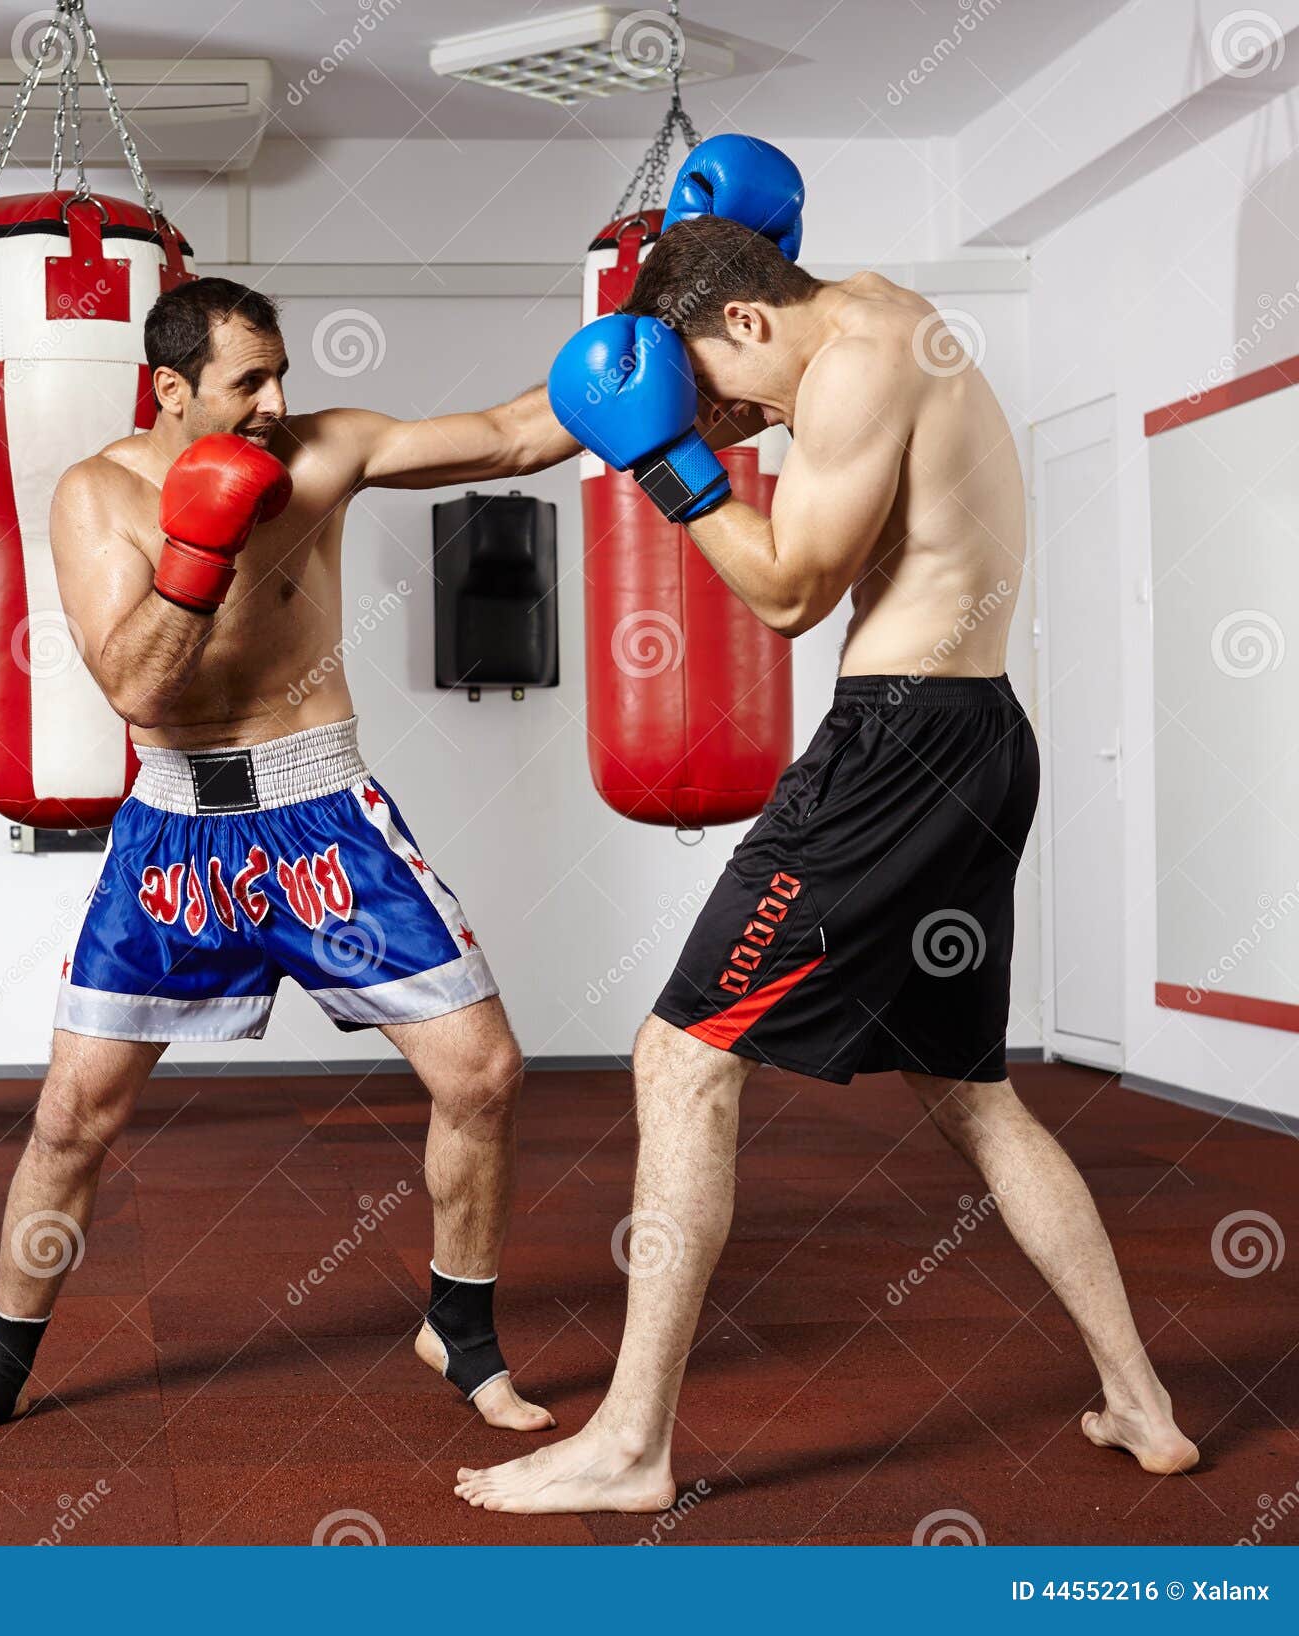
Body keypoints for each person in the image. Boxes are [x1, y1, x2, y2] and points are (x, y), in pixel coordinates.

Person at [455, 162, 1198, 1513]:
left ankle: (630, 1445)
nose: (734, 424)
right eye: (711, 423)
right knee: (971, 1092)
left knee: (681, 1058)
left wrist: (664, 462)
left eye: (721, 395)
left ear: (743, 318)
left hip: (901, 745)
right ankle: (1142, 1403)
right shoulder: (884, 323)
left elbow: (792, 593)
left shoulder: (852, 363)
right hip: (977, 738)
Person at [0, 277, 607, 1442]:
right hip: (175, 833)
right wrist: (201, 543)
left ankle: (464, 1328)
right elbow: (135, 685)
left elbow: (513, 430)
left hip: (322, 812)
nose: (278, 402)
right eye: (249, 382)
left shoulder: (325, 452)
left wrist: (656, 349)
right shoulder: (94, 495)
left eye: (281, 372)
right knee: (73, 1114)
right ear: (172, 389)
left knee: (482, 1070)